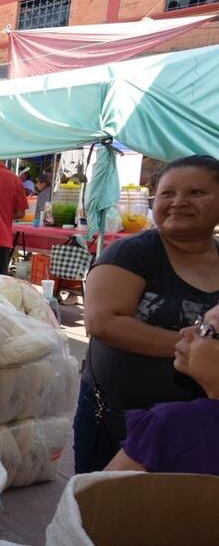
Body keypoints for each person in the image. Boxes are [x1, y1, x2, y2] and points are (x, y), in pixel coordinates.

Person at [76, 155, 219, 473]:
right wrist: (197, 348)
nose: (178, 202)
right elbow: (103, 322)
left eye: (196, 192)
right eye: (168, 193)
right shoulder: (132, 252)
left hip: (199, 429)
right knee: (99, 498)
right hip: (116, 417)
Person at [105, 305, 219, 475]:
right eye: (199, 321)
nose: (185, 332)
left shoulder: (171, 424)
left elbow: (97, 489)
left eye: (205, 329)